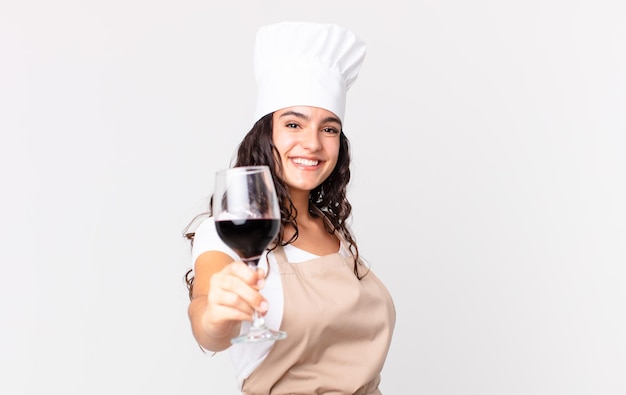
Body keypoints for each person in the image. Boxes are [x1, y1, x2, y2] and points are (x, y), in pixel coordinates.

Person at [183, 21, 396, 394]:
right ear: (266, 134)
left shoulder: (334, 230)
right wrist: (217, 314)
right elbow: (207, 323)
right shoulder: (224, 231)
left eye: (329, 129)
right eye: (294, 123)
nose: (312, 143)